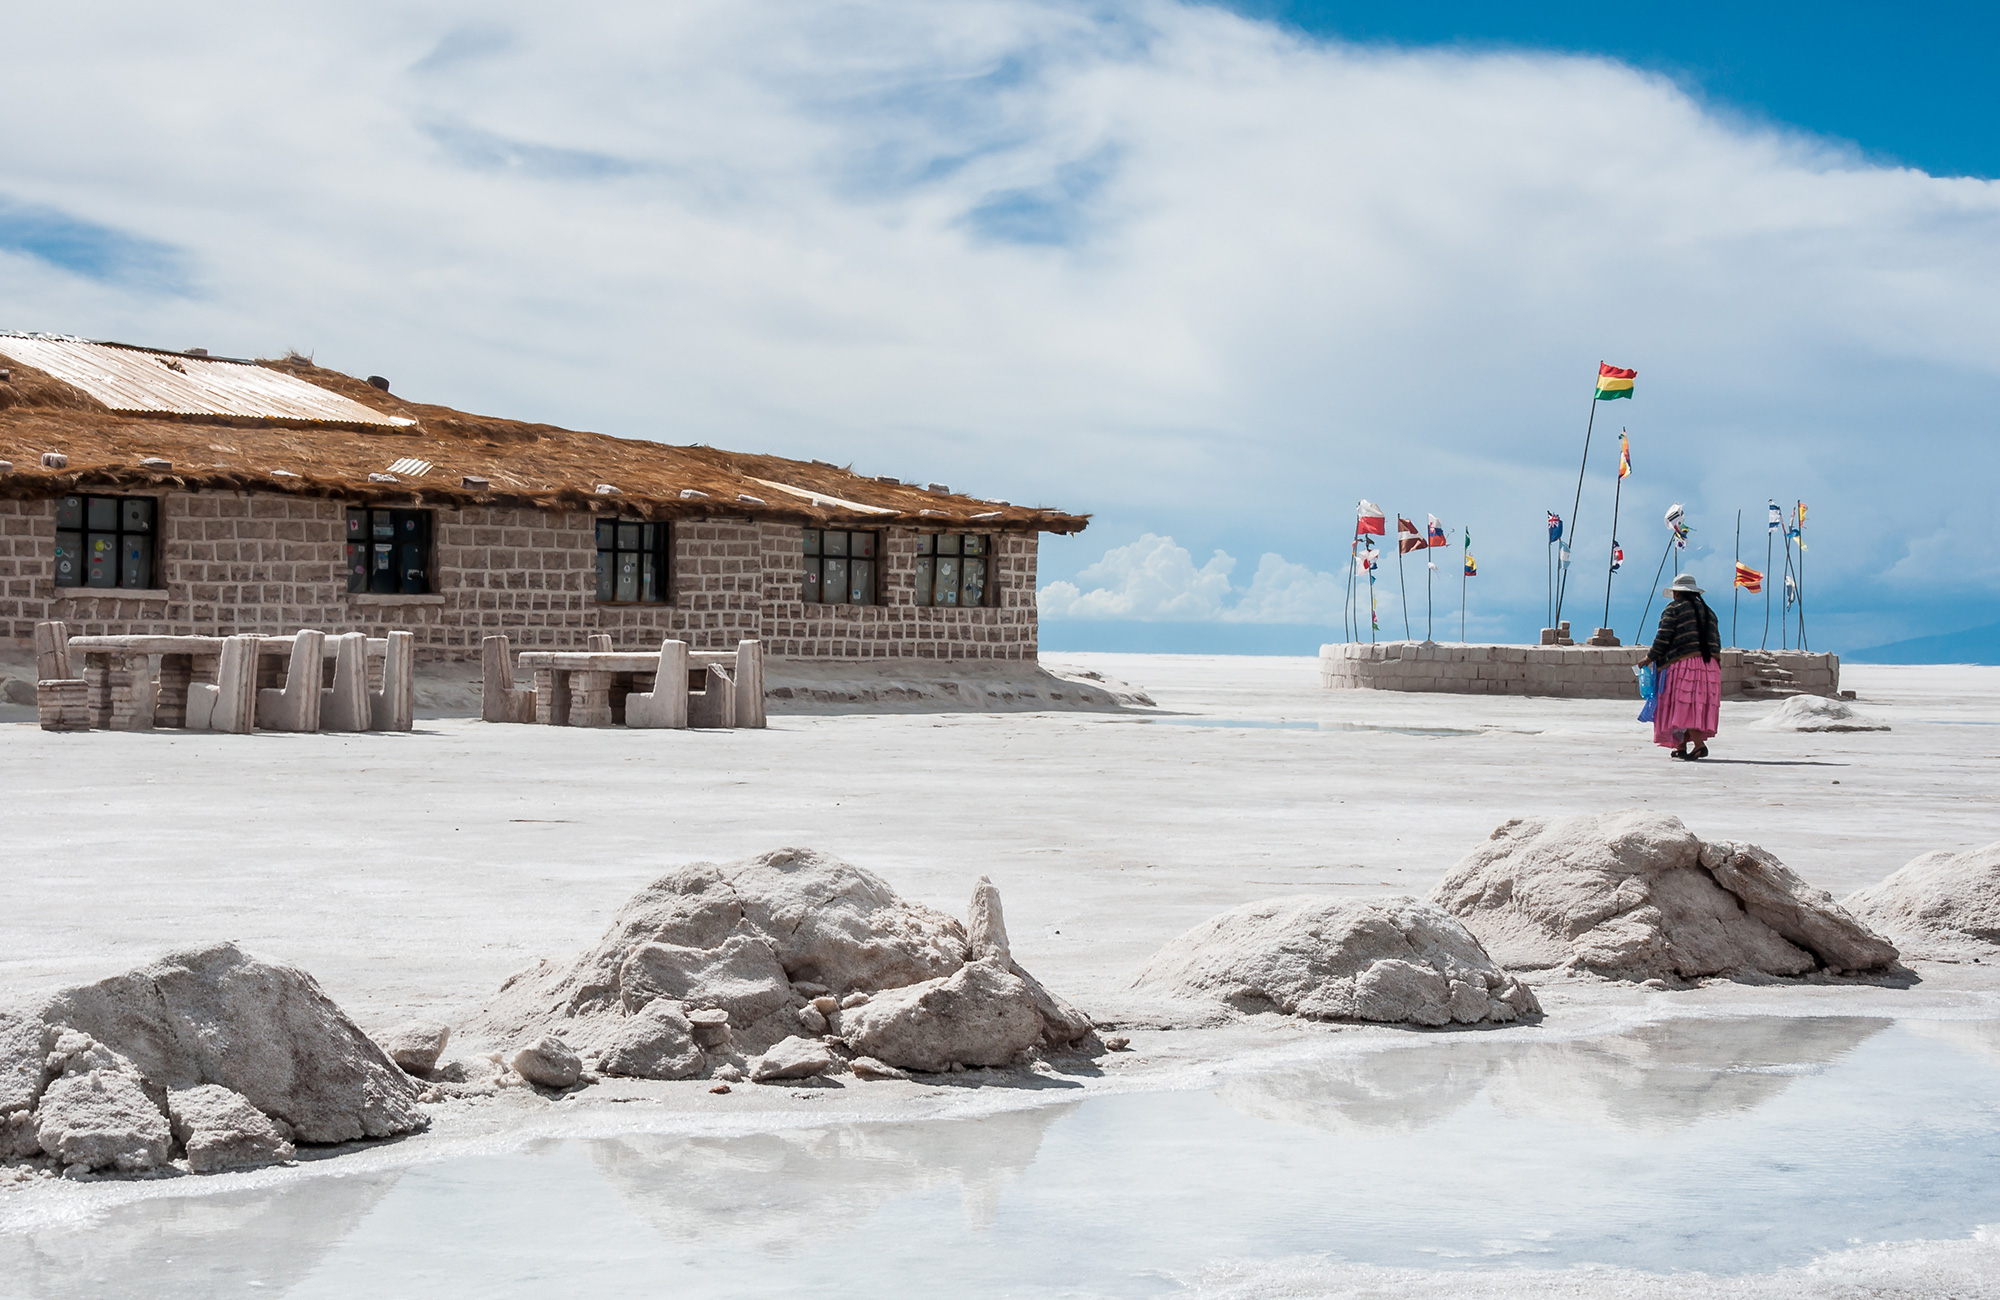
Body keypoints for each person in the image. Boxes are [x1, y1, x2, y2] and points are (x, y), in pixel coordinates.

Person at [1647, 572, 1721, 760]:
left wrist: (1649, 658)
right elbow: (1716, 641)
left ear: (1677, 593)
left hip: (1683, 664)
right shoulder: (1709, 612)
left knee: (1681, 705)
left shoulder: (1674, 609)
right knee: (1693, 705)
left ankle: (1698, 745)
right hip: (1708, 666)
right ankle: (1679, 746)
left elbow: (1663, 637)